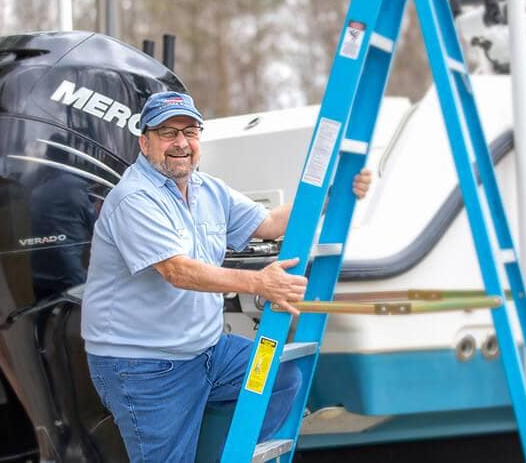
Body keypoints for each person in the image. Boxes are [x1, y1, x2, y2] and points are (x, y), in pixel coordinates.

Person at [80, 91, 372, 461]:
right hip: (144, 366)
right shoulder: (133, 198)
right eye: (168, 133)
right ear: (145, 141)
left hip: (208, 351)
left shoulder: (208, 190)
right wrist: (257, 282)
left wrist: (335, 193)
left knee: (280, 379)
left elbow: (270, 223)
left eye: (190, 132)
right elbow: (177, 271)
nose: (181, 143)